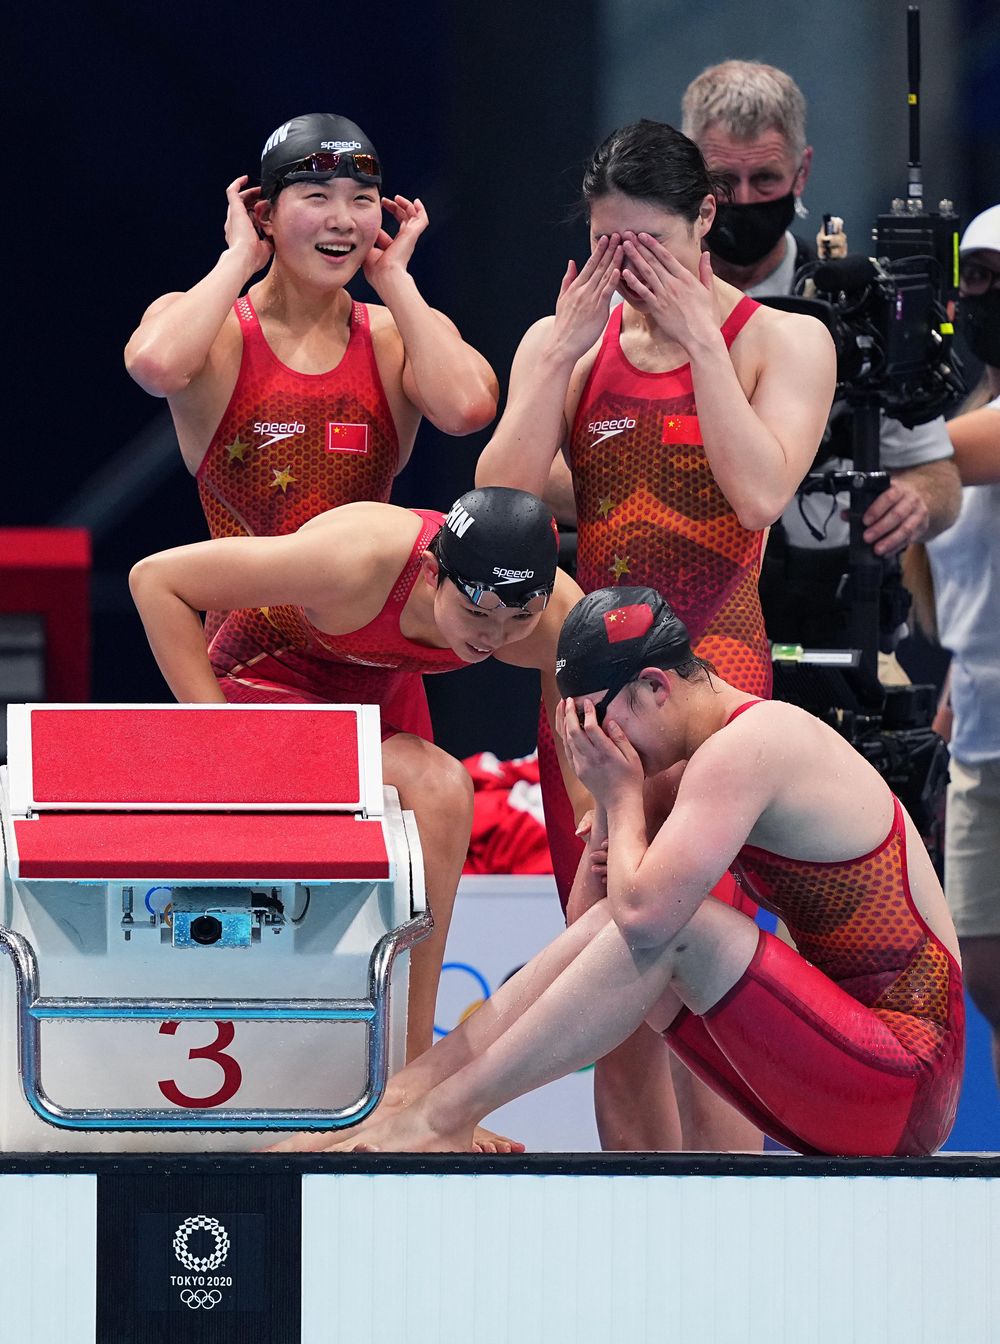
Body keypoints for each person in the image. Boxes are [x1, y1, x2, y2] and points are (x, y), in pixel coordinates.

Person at [287, 586, 964, 1158]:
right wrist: (617, 807)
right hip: (848, 1072)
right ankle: (403, 1097)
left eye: (599, 723)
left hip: (907, 1077)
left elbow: (645, 922)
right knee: (645, 929)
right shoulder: (686, 760)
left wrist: (619, 797)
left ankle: (442, 1118)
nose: (601, 746)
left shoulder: (754, 743)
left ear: (655, 688)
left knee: (682, 928)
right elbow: (593, 932)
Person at [476, 118, 835, 1151]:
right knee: (608, 986)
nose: (628, 272)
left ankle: (729, 1224)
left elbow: (759, 495)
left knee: (706, 985)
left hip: (712, 697)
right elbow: (499, 511)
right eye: (607, 247)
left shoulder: (783, 342)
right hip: (589, 706)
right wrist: (557, 354)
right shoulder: (566, 346)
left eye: (650, 247)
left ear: (706, 218)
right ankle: (634, 1225)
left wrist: (701, 342)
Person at [129, 486, 587, 1074]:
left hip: (372, 692)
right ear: (432, 574)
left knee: (427, 823)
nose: (494, 636)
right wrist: (221, 738)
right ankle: (416, 1074)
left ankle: (404, 1071)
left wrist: (590, 809)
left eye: (519, 618)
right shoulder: (357, 560)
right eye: (477, 613)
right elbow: (155, 580)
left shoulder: (554, 615)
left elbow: (568, 712)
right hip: (265, 681)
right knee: (442, 790)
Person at [125, 112, 498, 737]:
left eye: (363, 200)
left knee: (437, 792)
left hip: (377, 663)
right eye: (317, 196)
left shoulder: (394, 336)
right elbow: (155, 366)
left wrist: (397, 284)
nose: (342, 219)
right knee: (416, 788)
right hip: (256, 662)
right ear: (265, 214)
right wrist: (238, 258)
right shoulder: (215, 331)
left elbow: (467, 411)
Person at [679, 60, 960, 645]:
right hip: (675, 618)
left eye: (766, 179)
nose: (743, 199)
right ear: (688, 174)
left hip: (830, 616)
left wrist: (916, 500)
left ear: (802, 172)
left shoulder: (858, 306)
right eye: (723, 181)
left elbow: (939, 475)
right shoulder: (635, 304)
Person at [925, 204, 1000, 1091]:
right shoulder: (972, 413)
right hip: (981, 738)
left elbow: (935, 454)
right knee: (987, 976)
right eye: (976, 278)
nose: (987, 296)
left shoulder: (956, 440)